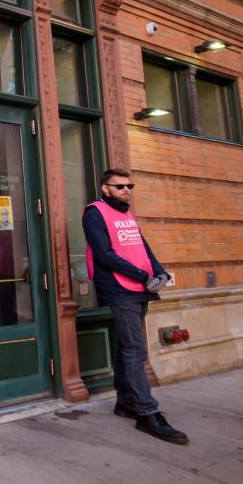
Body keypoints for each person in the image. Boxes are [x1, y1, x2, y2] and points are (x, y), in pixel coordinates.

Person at [82, 168, 189, 445]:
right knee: (136, 348)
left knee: (126, 346)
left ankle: (126, 401)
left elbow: (142, 246)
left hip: (141, 287)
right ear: (106, 188)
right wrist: (143, 276)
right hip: (119, 288)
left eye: (130, 186)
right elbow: (105, 255)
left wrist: (159, 271)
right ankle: (147, 412)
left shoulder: (126, 214)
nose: (126, 190)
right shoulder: (94, 213)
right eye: (120, 187)